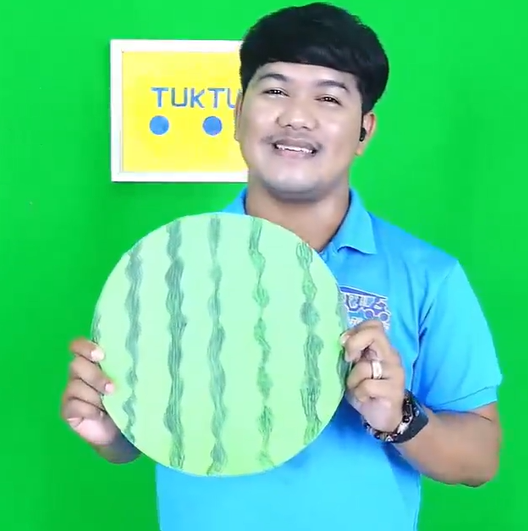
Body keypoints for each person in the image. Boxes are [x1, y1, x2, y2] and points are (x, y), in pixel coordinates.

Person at [60, 3, 503, 530]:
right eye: (274, 90)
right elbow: (134, 441)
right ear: (237, 114)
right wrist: (109, 429)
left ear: (364, 131)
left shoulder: (428, 276)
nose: (296, 116)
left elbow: (480, 459)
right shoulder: (166, 266)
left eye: (328, 97)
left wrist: (400, 417)